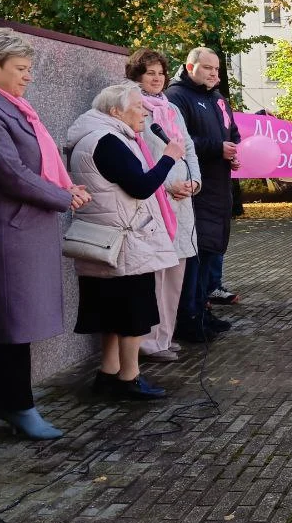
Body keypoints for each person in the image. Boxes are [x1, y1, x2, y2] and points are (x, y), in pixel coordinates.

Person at [0, 29, 90, 440]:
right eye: (21, 68)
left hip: (25, 224)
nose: (28, 76)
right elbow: (8, 171)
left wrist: (63, 189)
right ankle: (17, 404)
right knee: (15, 319)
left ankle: (10, 401)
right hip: (11, 227)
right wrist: (62, 196)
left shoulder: (11, 105)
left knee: (18, 321)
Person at [67, 82, 184, 398]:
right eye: (138, 106)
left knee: (111, 314)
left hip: (104, 240)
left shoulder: (95, 137)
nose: (145, 111)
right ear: (115, 111)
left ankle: (108, 373)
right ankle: (128, 378)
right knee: (133, 315)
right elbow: (141, 187)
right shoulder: (108, 141)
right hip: (124, 242)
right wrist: (168, 158)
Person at [127, 49, 201, 361]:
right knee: (156, 273)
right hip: (157, 197)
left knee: (175, 274)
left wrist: (195, 182)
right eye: (150, 73)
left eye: (160, 73)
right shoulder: (133, 106)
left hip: (183, 200)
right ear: (137, 76)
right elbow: (140, 155)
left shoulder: (171, 108)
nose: (157, 78)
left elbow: (188, 147)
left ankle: (165, 337)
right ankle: (149, 342)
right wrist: (168, 184)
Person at [166, 47, 240, 341]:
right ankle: (189, 317)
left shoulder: (217, 97)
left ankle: (203, 310)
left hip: (218, 188)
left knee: (211, 251)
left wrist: (233, 151)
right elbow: (180, 141)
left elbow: (232, 132)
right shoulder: (176, 97)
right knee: (195, 256)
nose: (214, 73)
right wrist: (216, 148)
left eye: (217, 69)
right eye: (208, 68)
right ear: (190, 67)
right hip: (196, 190)